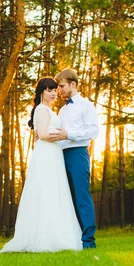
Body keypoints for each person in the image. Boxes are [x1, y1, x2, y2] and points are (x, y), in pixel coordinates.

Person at [0, 77, 82, 253]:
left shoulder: (49, 110)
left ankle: (56, 233)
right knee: (46, 192)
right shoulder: (42, 110)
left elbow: (42, 133)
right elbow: (43, 133)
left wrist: (49, 134)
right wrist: (61, 135)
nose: (53, 94)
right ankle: (45, 237)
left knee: (53, 192)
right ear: (41, 92)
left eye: (54, 90)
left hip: (53, 153)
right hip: (47, 154)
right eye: (49, 90)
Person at [43, 68, 99, 249]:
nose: (58, 90)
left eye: (61, 86)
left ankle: (88, 242)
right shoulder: (62, 110)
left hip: (77, 153)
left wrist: (69, 133)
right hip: (61, 156)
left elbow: (93, 131)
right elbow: (59, 135)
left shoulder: (86, 105)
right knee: (67, 199)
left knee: (82, 197)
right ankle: (73, 240)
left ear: (73, 84)